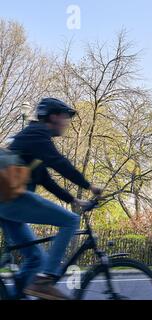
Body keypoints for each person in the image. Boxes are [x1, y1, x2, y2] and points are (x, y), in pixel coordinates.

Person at [0, 98, 102, 300]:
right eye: (65, 117)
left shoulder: (34, 139)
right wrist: (88, 185)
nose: (66, 122)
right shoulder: (38, 133)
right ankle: (45, 280)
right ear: (54, 116)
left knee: (35, 258)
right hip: (10, 200)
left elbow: (46, 180)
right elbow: (59, 163)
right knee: (70, 220)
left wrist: (73, 200)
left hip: (7, 206)